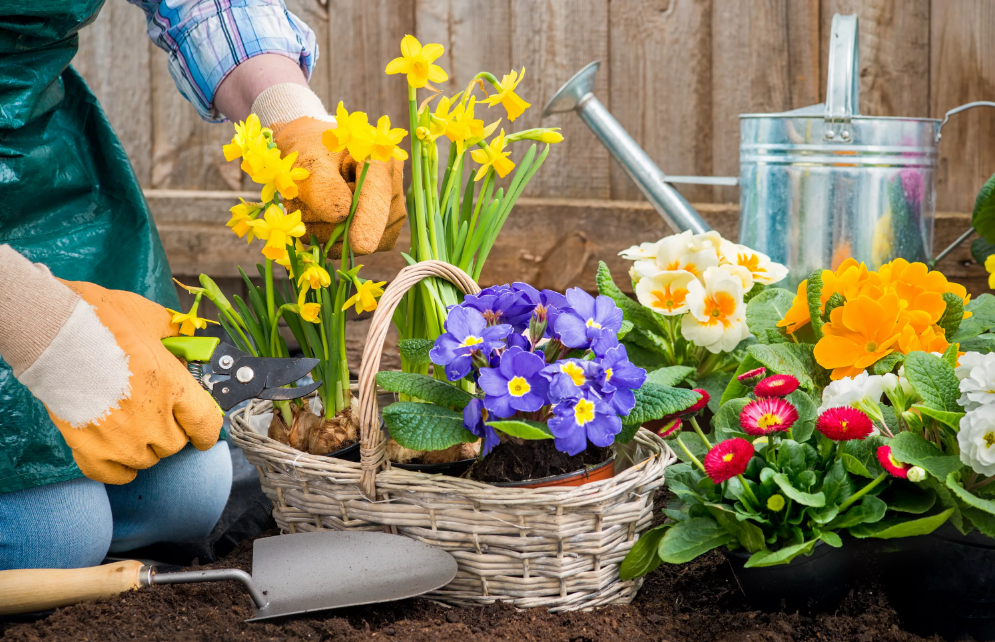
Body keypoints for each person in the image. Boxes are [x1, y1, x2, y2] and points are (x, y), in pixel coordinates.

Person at [0, 0, 404, 570]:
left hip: (41, 165)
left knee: (187, 492)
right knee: (58, 537)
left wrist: (291, 118)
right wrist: (30, 319)